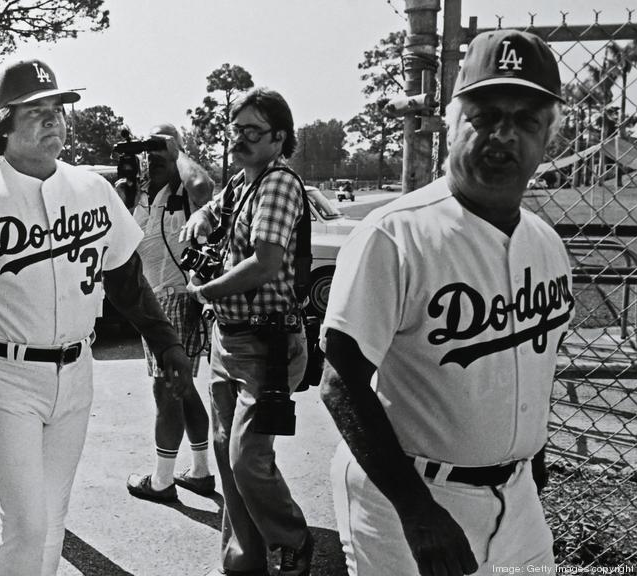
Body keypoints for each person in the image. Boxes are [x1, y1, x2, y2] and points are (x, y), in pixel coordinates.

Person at [0, 58, 194, 576]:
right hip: (4, 374)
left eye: (57, 107)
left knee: (53, 519)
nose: (52, 119)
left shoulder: (92, 189)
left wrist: (166, 340)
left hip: (78, 370)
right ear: (2, 123)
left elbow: (126, 279)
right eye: (35, 109)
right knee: (26, 522)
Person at [319, 29, 570, 576]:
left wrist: (531, 466)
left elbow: (533, 366)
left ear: (548, 137)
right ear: (454, 123)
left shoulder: (547, 245)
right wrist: (417, 511)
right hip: (409, 494)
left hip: (518, 498)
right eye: (485, 114)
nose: (504, 135)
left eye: (526, 119)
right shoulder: (394, 235)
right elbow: (340, 383)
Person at [181, 88, 314, 576]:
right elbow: (214, 209)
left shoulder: (278, 183)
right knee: (224, 450)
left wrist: (205, 290)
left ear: (279, 138)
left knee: (247, 460)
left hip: (266, 343)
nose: (239, 139)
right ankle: (243, 561)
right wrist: (199, 216)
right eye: (234, 130)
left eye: (251, 132)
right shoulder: (243, 181)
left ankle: (292, 539)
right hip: (230, 339)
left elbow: (266, 262)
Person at [125, 123, 216, 502]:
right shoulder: (144, 190)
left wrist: (175, 150)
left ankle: (161, 481)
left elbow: (205, 189)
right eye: (150, 146)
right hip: (153, 300)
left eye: (159, 146)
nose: (153, 154)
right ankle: (200, 471)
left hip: (177, 298)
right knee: (183, 389)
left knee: (167, 392)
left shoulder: (185, 188)